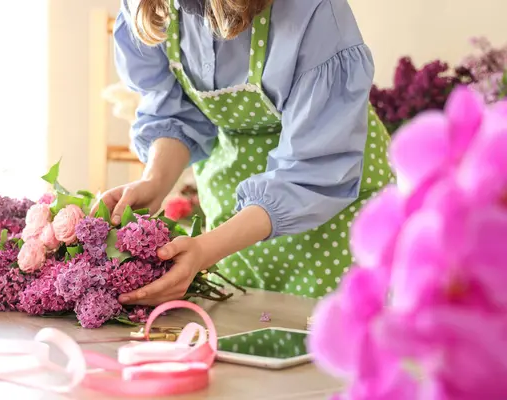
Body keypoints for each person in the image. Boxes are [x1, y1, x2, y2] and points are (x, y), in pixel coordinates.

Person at [92, 0, 393, 306]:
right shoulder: (150, 6)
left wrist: (206, 250)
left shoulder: (311, 11)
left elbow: (316, 168)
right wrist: (154, 182)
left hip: (337, 213)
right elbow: (177, 114)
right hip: (231, 218)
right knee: (243, 336)